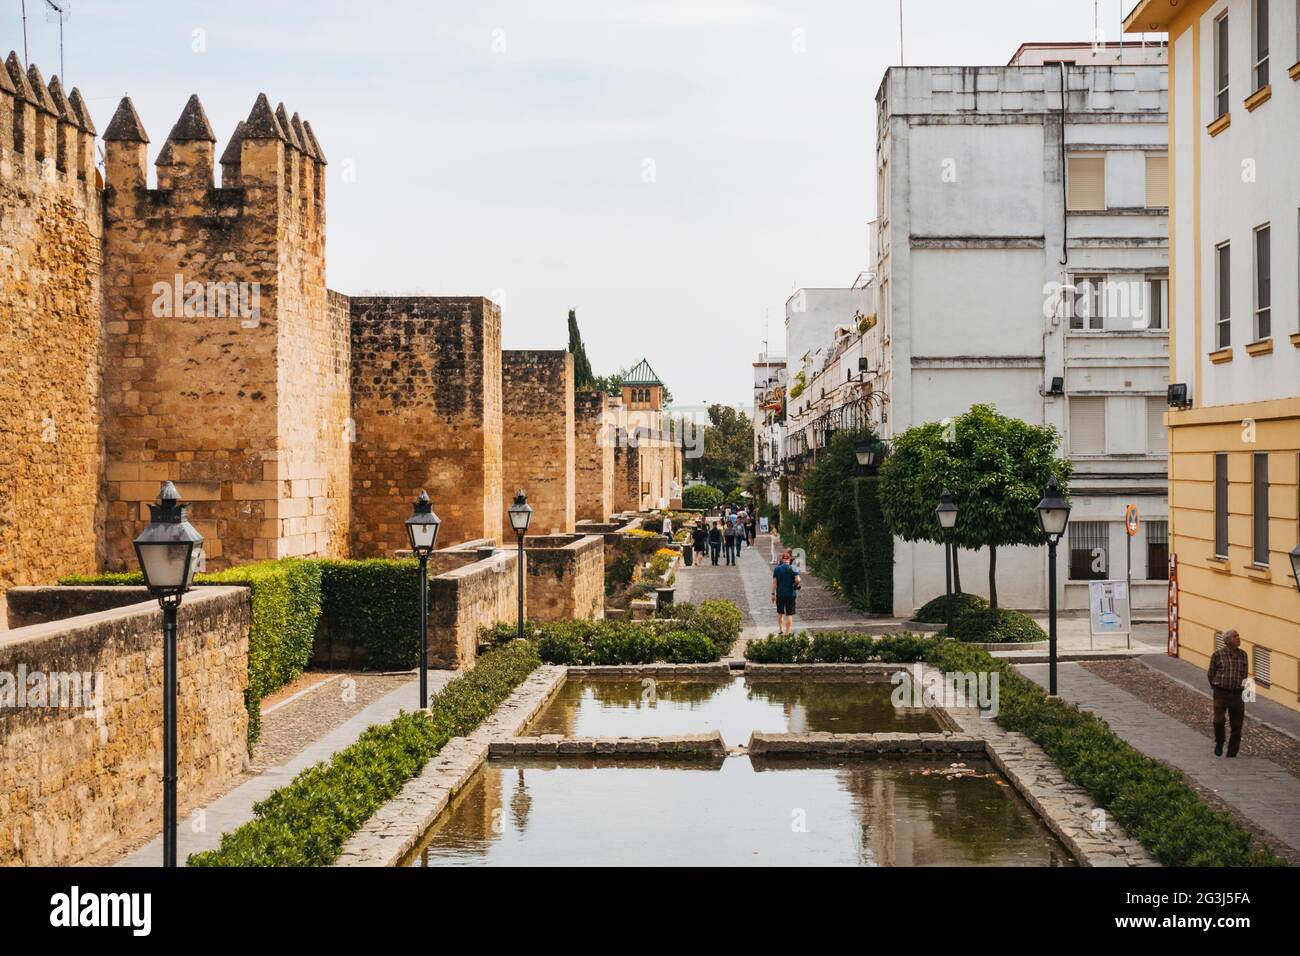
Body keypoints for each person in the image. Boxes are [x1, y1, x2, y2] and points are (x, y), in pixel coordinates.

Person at [1208, 629, 1249, 757]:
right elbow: (1211, 673)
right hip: (1221, 693)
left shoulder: (1243, 655)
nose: (1238, 638)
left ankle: (1232, 751)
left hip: (1237, 694)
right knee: (1218, 721)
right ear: (1227, 640)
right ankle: (1220, 741)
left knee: (1237, 724)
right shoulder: (1217, 655)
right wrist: (1216, 688)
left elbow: (1245, 674)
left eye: (1238, 635)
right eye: (1235, 636)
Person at [771, 549, 801, 634]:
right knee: (789, 614)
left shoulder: (777, 569)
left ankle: (781, 629)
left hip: (780, 594)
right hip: (791, 594)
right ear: (790, 559)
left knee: (780, 612)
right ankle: (787, 632)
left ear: (782, 559)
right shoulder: (794, 568)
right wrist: (795, 584)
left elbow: (774, 583)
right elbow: (798, 579)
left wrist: (773, 594)